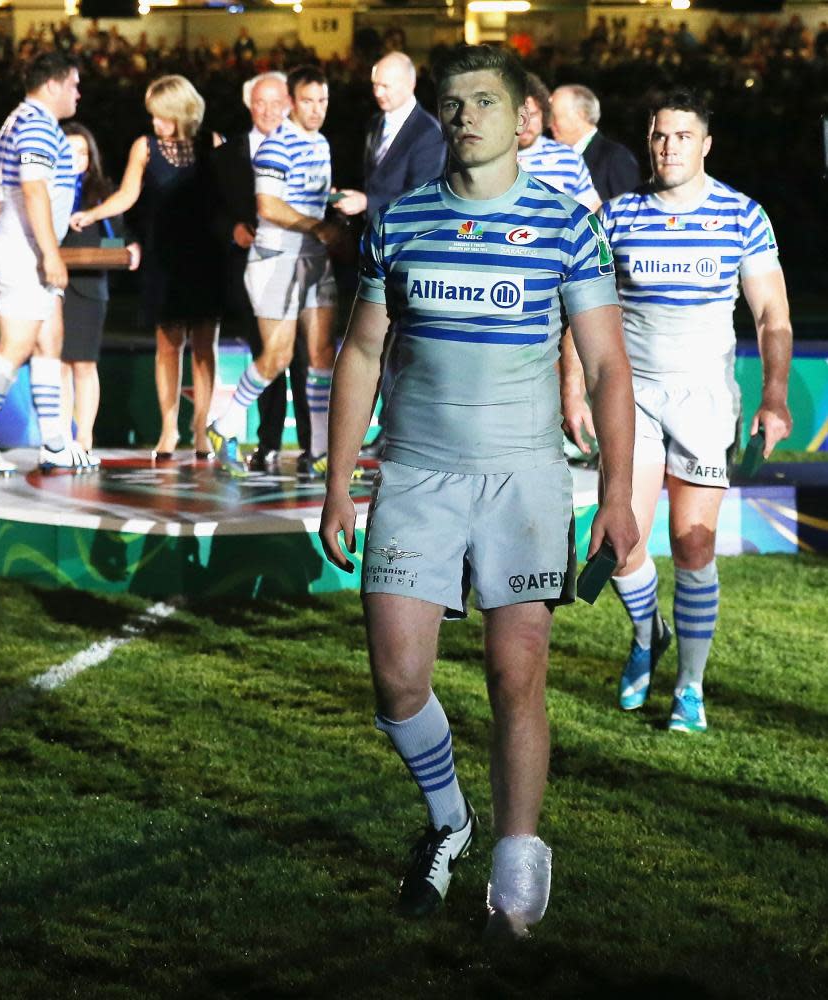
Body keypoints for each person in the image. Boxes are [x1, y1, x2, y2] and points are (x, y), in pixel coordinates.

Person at [319, 45, 637, 938]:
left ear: (520, 117)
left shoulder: (568, 221)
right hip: (416, 473)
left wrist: (614, 494)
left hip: (524, 479)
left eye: (483, 101)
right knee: (396, 680)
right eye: (452, 104)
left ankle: (516, 866)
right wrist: (340, 482)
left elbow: (609, 366)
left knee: (515, 672)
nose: (464, 118)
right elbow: (363, 354)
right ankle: (449, 820)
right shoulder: (402, 220)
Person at [561, 89, 792, 733]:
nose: (669, 148)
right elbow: (585, 309)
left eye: (683, 136)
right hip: (629, 394)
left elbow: (772, 315)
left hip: (702, 399)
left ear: (705, 144)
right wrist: (572, 385)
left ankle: (689, 686)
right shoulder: (618, 215)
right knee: (615, 538)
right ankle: (647, 633)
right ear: (648, 140)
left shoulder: (741, 215)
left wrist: (774, 395)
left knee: (693, 545)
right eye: (660, 135)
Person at [0, 50, 96, 475]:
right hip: (25, 251)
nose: (78, 92)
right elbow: (32, 191)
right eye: (72, 84)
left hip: (21, 247)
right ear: (51, 84)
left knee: (50, 341)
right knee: (15, 347)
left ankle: (54, 443)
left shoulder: (23, 121)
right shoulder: (34, 124)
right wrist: (46, 254)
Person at [70, 74, 225, 460]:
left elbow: (227, 197)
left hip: (206, 256)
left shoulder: (213, 142)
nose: (155, 122)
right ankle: (169, 430)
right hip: (164, 257)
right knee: (168, 346)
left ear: (181, 111)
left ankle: (201, 427)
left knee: (205, 346)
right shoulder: (145, 146)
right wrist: (92, 215)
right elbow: (126, 195)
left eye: (162, 115)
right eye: (152, 115)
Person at [208, 65, 342, 479]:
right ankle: (225, 424)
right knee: (277, 356)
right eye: (308, 101)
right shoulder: (275, 147)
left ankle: (320, 449)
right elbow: (268, 207)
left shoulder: (320, 143)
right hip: (275, 260)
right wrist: (318, 226)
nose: (316, 109)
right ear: (292, 103)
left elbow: (310, 198)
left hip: (314, 259)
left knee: (321, 355)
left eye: (323, 101)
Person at [332, 51, 448, 460]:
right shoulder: (376, 125)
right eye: (375, 85)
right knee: (374, 346)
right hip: (375, 253)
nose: (378, 93)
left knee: (399, 346)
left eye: (386, 85)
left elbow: (422, 195)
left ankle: (395, 428)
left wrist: (368, 200)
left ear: (410, 84)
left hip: (410, 255)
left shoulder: (429, 133)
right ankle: (377, 425)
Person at [60, 121, 140, 459]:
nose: (77, 158)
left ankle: (85, 437)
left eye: (82, 152)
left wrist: (129, 247)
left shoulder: (103, 194)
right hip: (56, 284)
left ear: (91, 157)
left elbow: (115, 236)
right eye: (69, 151)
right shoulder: (48, 189)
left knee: (84, 364)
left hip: (91, 287)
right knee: (60, 365)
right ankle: (61, 437)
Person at [516, 72, 600, 211]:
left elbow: (593, 217)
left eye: (533, 114)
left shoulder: (568, 158)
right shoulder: (484, 157)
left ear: (544, 113)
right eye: (517, 115)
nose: (525, 123)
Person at [550, 85, 641, 203]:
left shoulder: (615, 158)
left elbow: (630, 213)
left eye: (554, 117)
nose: (549, 124)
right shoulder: (554, 158)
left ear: (580, 115)